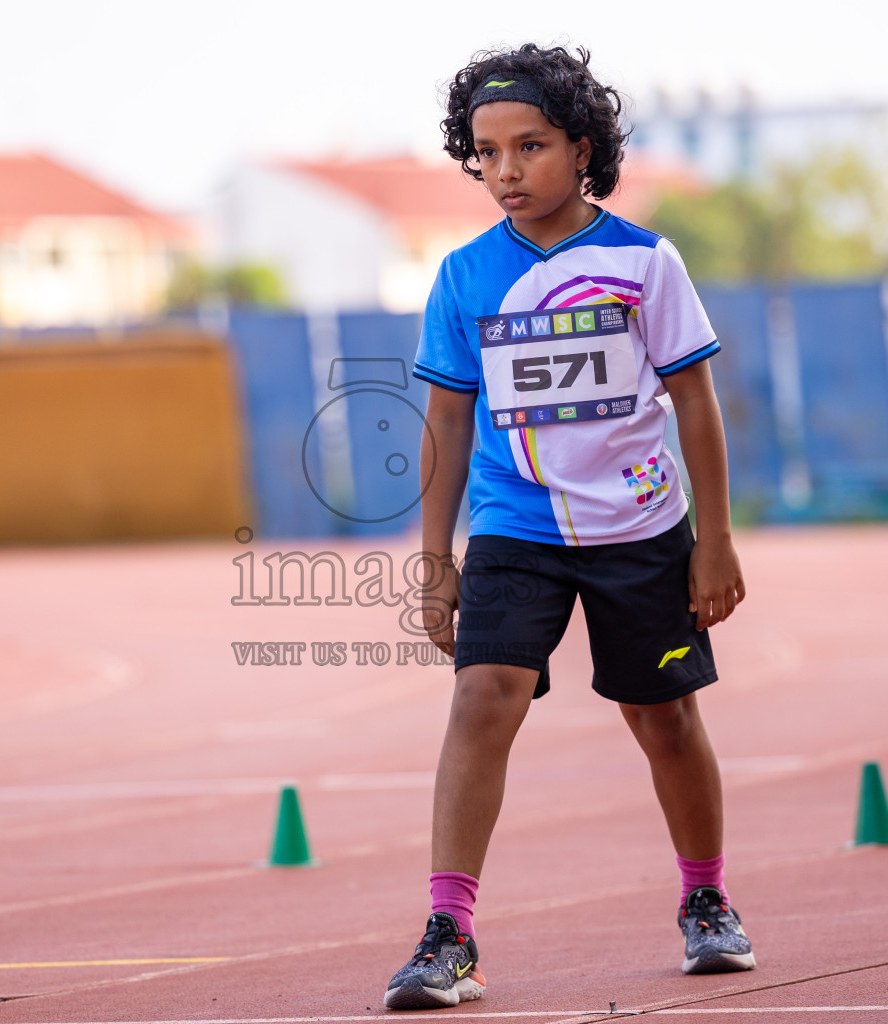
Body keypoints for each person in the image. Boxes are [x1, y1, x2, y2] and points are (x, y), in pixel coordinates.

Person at [382, 44, 754, 1010]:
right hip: (516, 527)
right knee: (482, 698)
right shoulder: (464, 278)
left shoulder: (642, 260)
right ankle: (448, 932)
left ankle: (706, 899)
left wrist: (714, 537)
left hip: (639, 525)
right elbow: (449, 420)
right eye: (486, 152)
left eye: (531, 147)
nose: (507, 171)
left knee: (664, 718)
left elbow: (696, 403)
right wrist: (435, 560)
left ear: (582, 148)